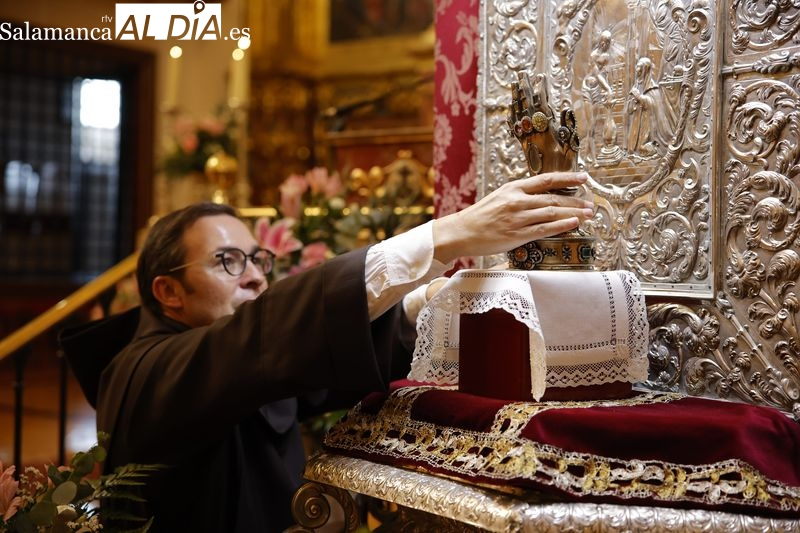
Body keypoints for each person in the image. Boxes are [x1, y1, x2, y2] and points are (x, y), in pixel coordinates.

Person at [59, 170, 594, 533]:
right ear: (168, 292)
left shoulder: (243, 358)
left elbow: (326, 362)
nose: (252, 277)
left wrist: (431, 299)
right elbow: (257, 339)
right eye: (227, 261)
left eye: (257, 260)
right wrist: (444, 235)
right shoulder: (142, 372)